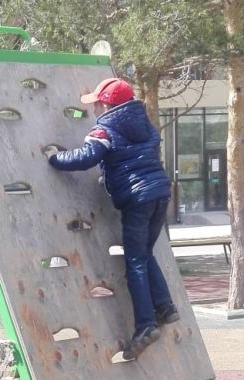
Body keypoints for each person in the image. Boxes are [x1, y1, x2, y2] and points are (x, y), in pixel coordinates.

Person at [46, 77, 179, 360]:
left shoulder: (105, 129)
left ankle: (145, 325)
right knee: (145, 253)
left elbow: (86, 158)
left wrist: (55, 158)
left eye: (96, 103)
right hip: (160, 194)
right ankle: (166, 306)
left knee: (135, 262)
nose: (94, 108)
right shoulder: (144, 124)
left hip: (137, 200)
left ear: (106, 105)